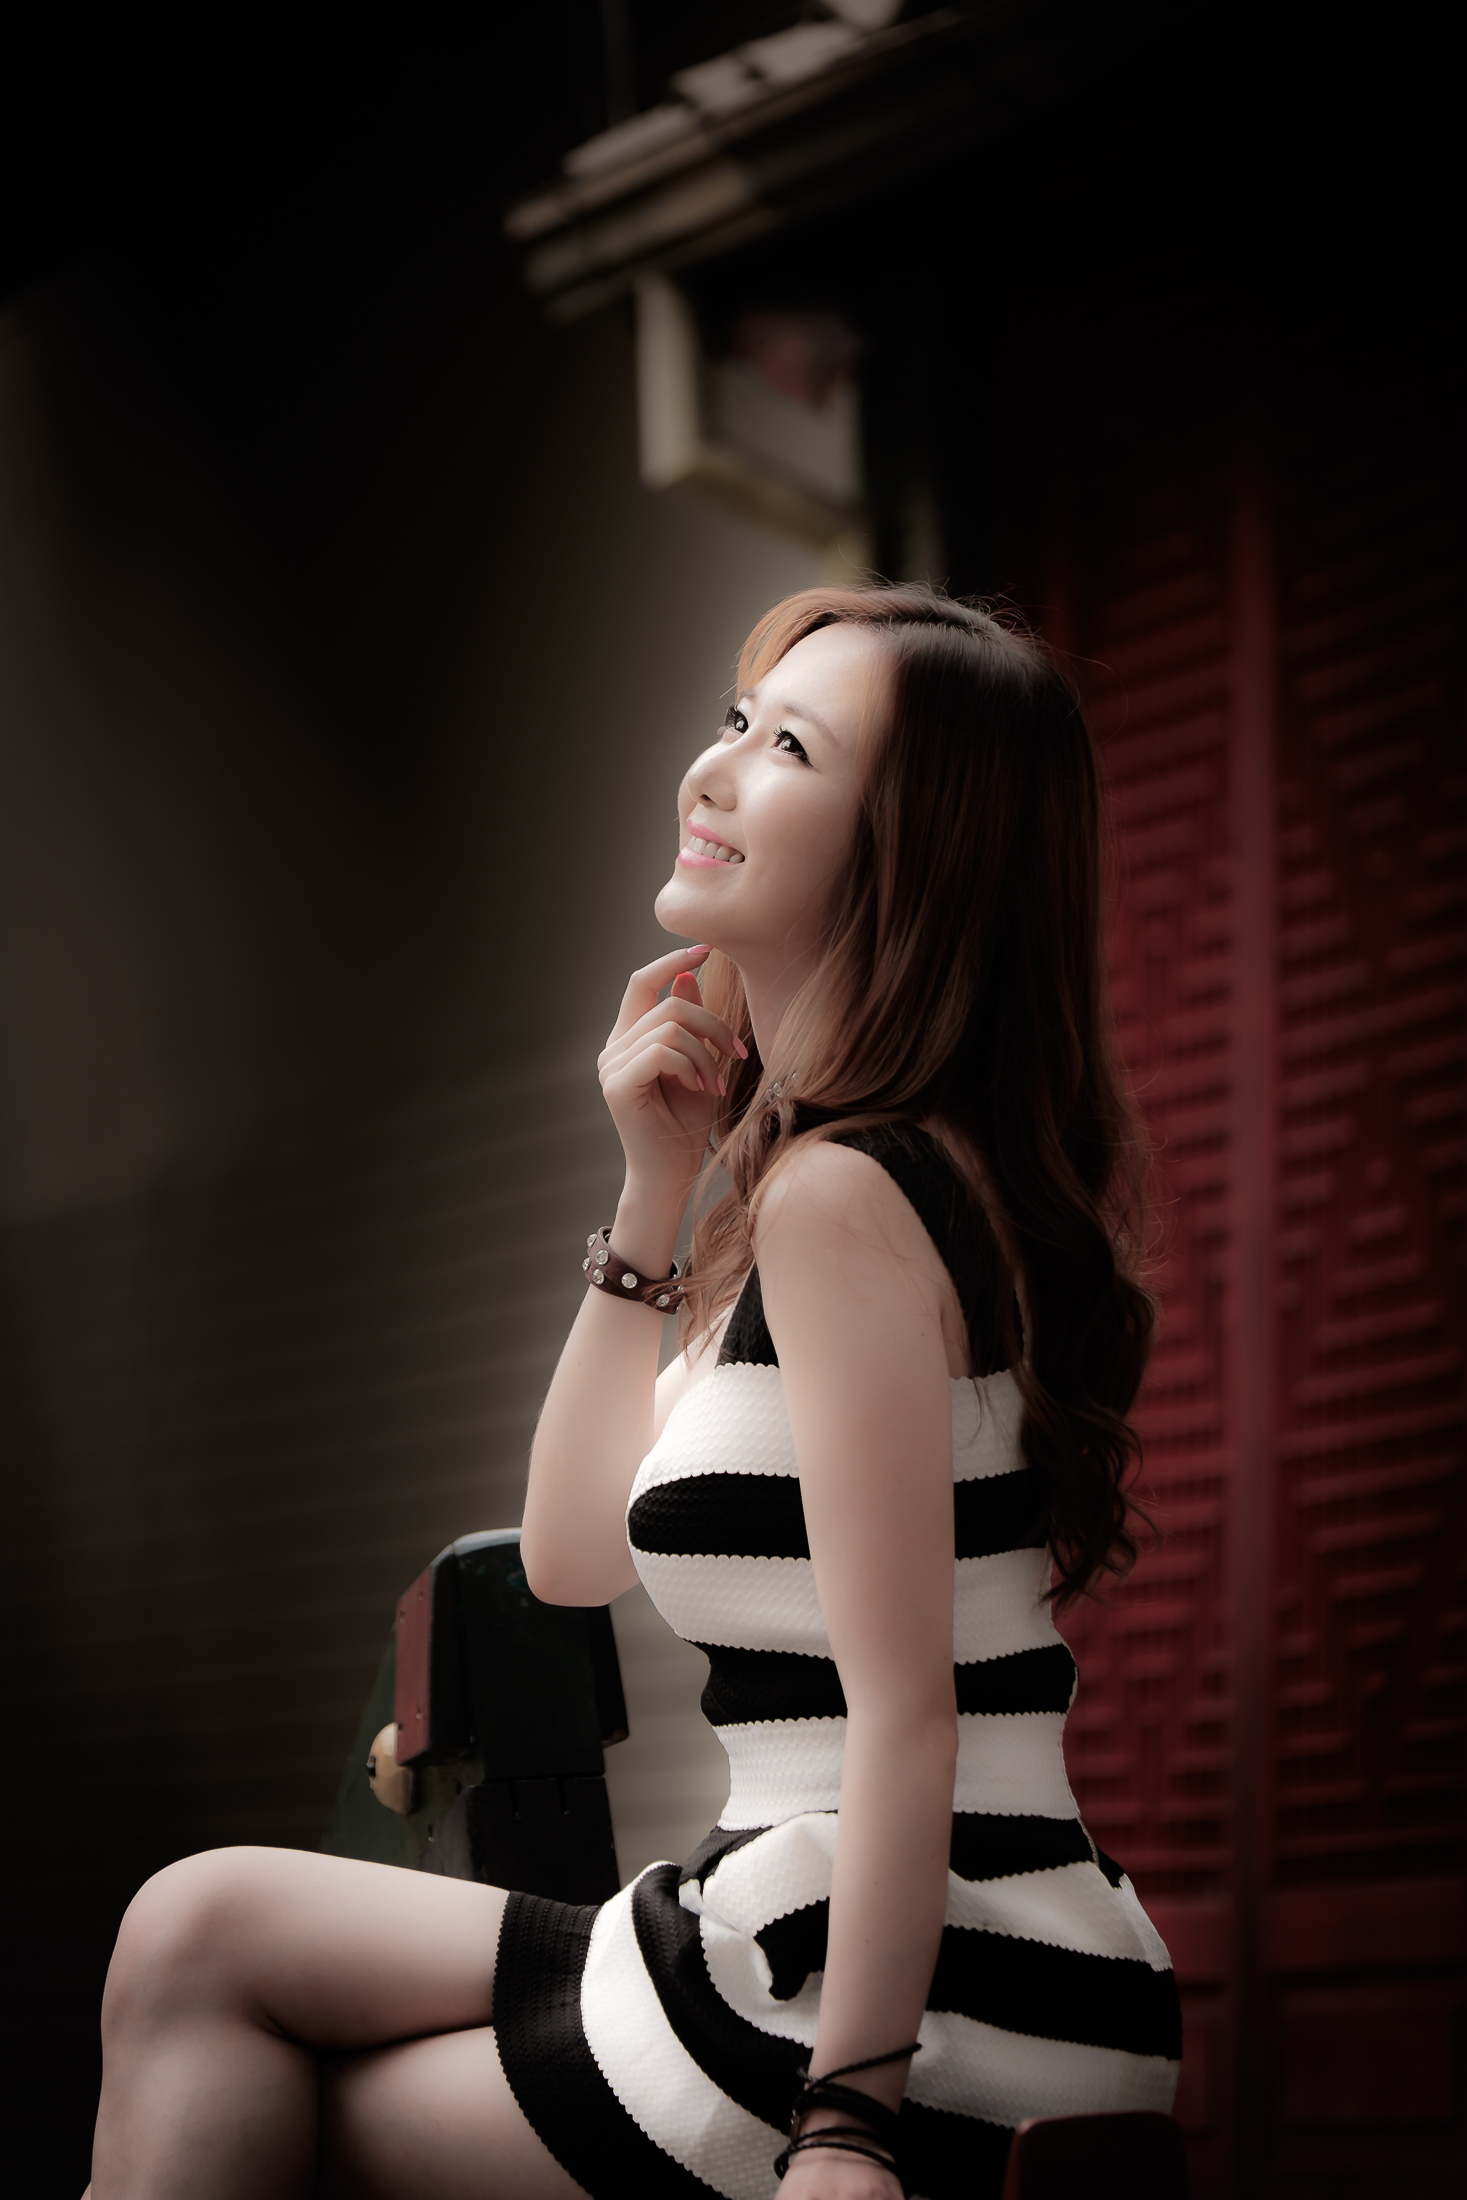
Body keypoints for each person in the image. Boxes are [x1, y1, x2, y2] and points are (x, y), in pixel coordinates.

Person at [86, 585, 1180, 2200]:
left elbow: (910, 1715)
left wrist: (850, 2128)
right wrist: (654, 1192)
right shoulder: (829, 1194)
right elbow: (570, 1556)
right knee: (198, 1925)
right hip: (838, 1925)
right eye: (737, 721)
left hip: (916, 1983)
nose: (714, 768)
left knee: (254, 2060)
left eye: (790, 748)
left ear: (914, 857)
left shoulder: (850, 1199)